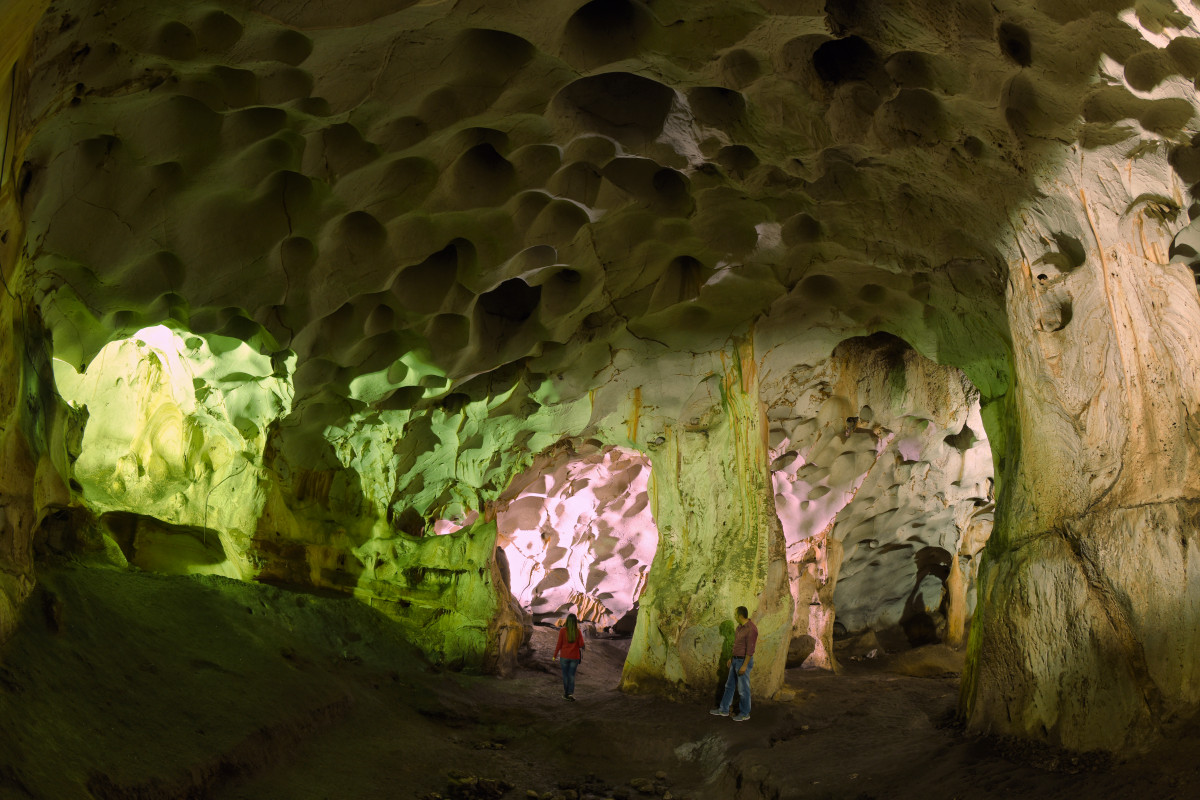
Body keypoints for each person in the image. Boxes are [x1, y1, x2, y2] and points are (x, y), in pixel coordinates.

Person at [710, 606, 757, 722]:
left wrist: (745, 665)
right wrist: (732, 658)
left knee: (743, 689)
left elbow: (750, 650)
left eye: (735, 614)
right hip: (736, 660)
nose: (734, 616)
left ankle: (745, 713)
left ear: (740, 616)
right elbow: (737, 645)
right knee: (729, 686)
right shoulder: (739, 628)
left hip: (743, 661)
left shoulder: (751, 629)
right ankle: (723, 709)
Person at [552, 612, 586, 700]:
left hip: (564, 657)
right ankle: (570, 694)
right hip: (574, 657)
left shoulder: (562, 631)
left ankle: (566, 693)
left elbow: (559, 644)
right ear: (575, 622)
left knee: (565, 675)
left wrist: (554, 655)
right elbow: (581, 644)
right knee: (571, 675)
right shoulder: (577, 631)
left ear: (567, 621)